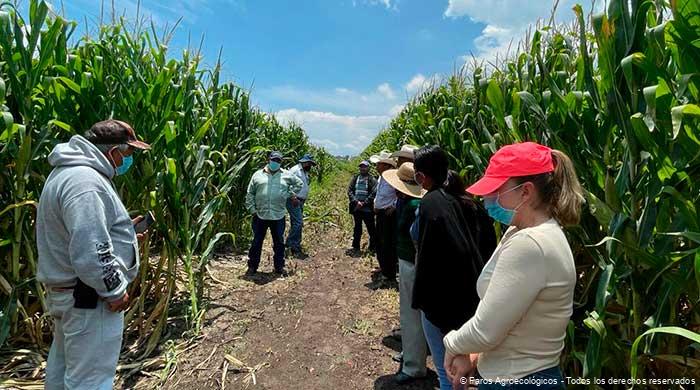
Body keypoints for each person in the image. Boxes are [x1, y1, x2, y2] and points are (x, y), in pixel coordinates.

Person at [443, 142, 584, 390]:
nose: (487, 198)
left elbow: (486, 331)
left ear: (525, 192)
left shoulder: (530, 244)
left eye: (496, 189)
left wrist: (452, 344)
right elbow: (510, 319)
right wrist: (474, 356)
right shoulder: (524, 232)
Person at [36, 119, 150, 389]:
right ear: (113, 152)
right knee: (91, 381)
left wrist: (126, 236)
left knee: (63, 371)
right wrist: (114, 291)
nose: (128, 160)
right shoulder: (86, 183)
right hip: (89, 300)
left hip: (70, 296)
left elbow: (82, 234)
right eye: (128, 153)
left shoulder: (68, 174)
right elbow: (91, 249)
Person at [411, 145, 496, 390]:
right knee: (469, 369)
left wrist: (422, 300)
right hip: (475, 297)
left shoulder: (430, 204)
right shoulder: (469, 203)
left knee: (446, 368)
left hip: (442, 302)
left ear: (421, 177)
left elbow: (429, 257)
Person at [382, 163, 429, 385]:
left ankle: (413, 366)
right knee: (412, 314)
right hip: (409, 262)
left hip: (412, 263)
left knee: (411, 316)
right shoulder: (410, 202)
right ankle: (412, 356)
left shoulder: (413, 205)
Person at [245, 151, 303, 276]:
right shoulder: (257, 175)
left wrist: (290, 194)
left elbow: (299, 184)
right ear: (269, 159)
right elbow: (250, 193)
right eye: (273, 160)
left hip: (278, 215)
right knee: (256, 242)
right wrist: (252, 209)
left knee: (279, 243)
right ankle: (252, 267)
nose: (275, 162)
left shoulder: (286, 175)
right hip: (260, 214)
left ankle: (279, 267)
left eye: (278, 161)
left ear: (280, 162)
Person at [371, 151, 399, 282]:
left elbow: (402, 194)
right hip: (380, 213)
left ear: (386, 165)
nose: (376, 167)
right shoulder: (381, 177)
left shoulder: (394, 177)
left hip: (389, 215)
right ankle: (383, 267)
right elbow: (380, 193)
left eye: (378, 164)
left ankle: (389, 273)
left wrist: (393, 206)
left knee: (387, 244)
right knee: (379, 241)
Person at [285, 153, 316, 257]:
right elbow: (286, 184)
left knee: (296, 223)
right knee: (298, 223)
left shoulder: (304, 172)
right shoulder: (295, 170)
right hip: (293, 200)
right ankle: (290, 244)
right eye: (310, 164)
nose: (311, 166)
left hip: (300, 200)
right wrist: (293, 197)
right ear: (305, 162)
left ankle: (295, 245)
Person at [347, 160, 377, 254]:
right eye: (361, 167)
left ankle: (372, 247)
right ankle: (356, 246)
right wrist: (356, 202)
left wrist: (363, 203)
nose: (363, 168)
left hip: (368, 209)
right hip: (357, 209)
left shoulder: (372, 179)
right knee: (357, 228)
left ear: (368, 168)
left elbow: (374, 193)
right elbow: (350, 191)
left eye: (364, 167)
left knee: (371, 228)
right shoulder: (355, 178)